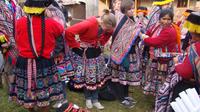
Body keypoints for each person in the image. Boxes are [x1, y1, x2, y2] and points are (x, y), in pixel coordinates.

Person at [9, 0, 65, 111]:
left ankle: (31, 107)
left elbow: (16, 39)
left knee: (28, 92)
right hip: (45, 62)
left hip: (24, 62)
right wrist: (55, 52)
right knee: (45, 93)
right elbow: (61, 37)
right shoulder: (53, 24)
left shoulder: (19, 23)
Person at [65, 9, 116, 109]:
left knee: (97, 77)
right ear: (102, 22)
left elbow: (109, 32)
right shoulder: (88, 24)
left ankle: (95, 99)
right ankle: (88, 98)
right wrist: (75, 45)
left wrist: (101, 42)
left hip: (96, 54)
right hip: (86, 55)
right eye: (106, 28)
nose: (106, 31)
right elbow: (68, 31)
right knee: (88, 77)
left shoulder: (105, 26)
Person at [155, 11, 200, 112]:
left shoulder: (196, 47)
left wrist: (176, 63)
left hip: (191, 89)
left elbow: (186, 73)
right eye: (164, 19)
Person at [109, 0, 141, 108]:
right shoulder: (122, 20)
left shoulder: (133, 19)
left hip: (131, 52)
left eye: (133, 8)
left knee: (127, 76)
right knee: (120, 76)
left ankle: (126, 95)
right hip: (122, 53)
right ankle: (121, 98)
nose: (132, 11)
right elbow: (118, 37)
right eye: (130, 9)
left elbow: (136, 33)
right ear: (124, 10)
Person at [142, 9, 180, 96]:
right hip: (158, 58)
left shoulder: (169, 31)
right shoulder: (159, 27)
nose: (166, 21)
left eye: (169, 19)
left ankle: (160, 99)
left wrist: (145, 38)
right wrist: (147, 36)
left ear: (172, 20)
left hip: (163, 61)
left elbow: (156, 42)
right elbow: (150, 32)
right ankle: (158, 98)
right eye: (164, 19)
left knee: (161, 80)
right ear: (159, 19)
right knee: (157, 78)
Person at [0, 0, 24, 90]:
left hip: (19, 39)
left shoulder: (14, 3)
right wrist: (3, 41)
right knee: (10, 63)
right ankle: (11, 89)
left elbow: (22, 17)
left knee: (19, 63)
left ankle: (19, 86)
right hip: (6, 41)